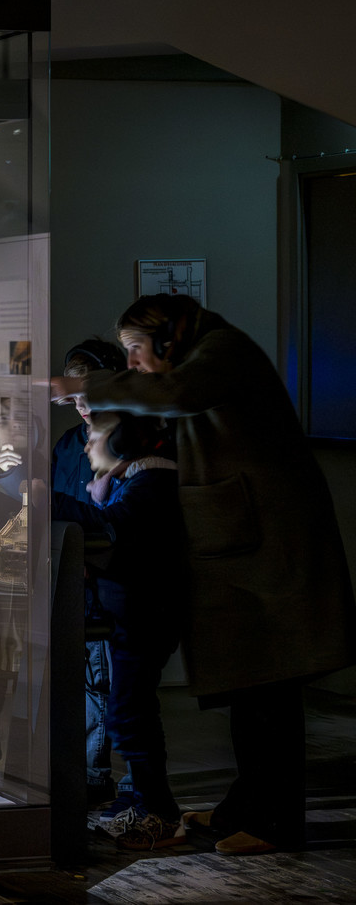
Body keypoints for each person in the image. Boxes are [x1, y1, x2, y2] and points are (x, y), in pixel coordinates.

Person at [51, 293, 356, 854]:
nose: (135, 365)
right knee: (251, 695)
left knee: (268, 697)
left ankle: (273, 824)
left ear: (168, 336)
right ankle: (245, 807)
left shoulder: (222, 351)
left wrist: (80, 386)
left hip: (269, 558)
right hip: (243, 557)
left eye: (137, 350)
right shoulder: (207, 358)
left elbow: (178, 395)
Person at [52, 410, 184, 849]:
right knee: (128, 712)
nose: (86, 444)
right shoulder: (133, 482)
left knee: (129, 714)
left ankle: (159, 812)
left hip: (145, 620)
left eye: (96, 436)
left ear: (124, 441)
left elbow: (115, 529)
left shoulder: (150, 485)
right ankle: (148, 803)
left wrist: (47, 499)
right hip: (132, 620)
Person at [52, 339, 134, 810]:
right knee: (83, 681)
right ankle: (85, 771)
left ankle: (102, 776)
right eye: (75, 396)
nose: (81, 406)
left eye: (89, 392)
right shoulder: (69, 444)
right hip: (72, 584)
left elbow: (107, 522)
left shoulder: (127, 443)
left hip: (106, 585)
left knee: (105, 685)